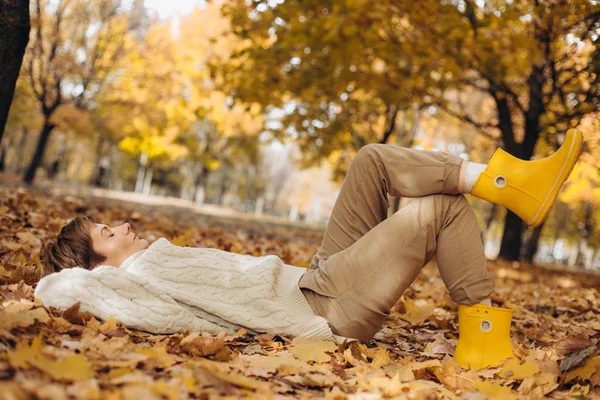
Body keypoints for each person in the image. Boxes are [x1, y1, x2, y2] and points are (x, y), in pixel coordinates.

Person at [36, 128, 583, 370]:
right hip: (324, 308)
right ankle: (483, 339)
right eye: (108, 234)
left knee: (370, 159)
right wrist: (73, 274)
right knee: (442, 210)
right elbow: (63, 290)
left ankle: (504, 182)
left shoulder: (148, 260)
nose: (123, 226)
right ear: (99, 264)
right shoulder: (126, 282)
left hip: (314, 277)